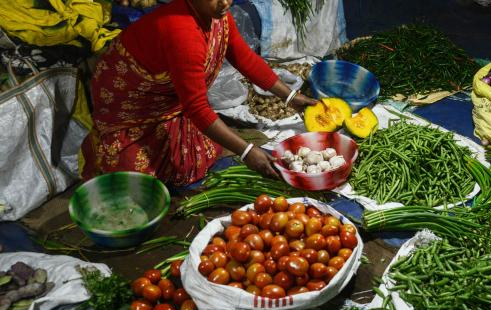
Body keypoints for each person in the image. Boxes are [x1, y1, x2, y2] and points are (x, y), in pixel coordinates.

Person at [82, 0, 317, 185]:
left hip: (167, 98)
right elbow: (197, 107)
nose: (225, 3)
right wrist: (246, 152)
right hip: (128, 97)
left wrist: (291, 97)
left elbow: (245, 59)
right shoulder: (183, 32)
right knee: (130, 181)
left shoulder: (216, 16)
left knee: (193, 156)